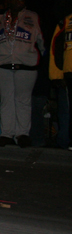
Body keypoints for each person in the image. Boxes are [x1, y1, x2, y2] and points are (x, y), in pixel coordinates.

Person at [0, 0, 45, 148]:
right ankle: (6, 133)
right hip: (2, 64)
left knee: (23, 100)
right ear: (9, 1)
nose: (18, 1)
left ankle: (22, 134)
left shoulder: (32, 17)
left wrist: (41, 57)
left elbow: (41, 40)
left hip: (26, 64)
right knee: (6, 99)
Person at [49, 9, 71, 149]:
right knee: (66, 110)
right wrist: (57, 75)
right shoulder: (66, 20)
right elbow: (55, 47)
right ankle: (65, 141)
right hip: (69, 73)